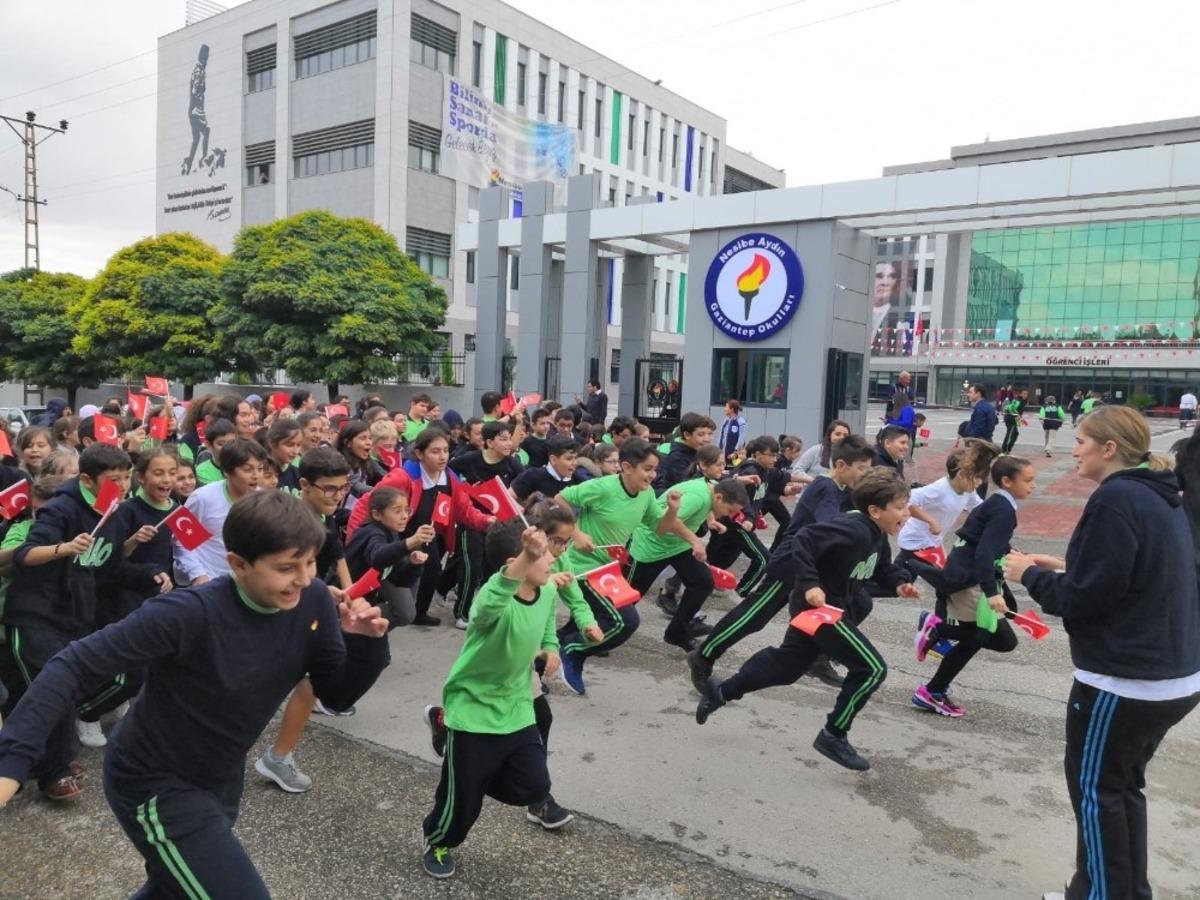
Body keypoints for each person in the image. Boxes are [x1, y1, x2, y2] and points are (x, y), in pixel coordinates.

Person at [0, 492, 391, 898]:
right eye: (286, 567)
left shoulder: (311, 601)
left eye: (310, 561)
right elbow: (72, 664)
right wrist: (11, 762)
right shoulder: (188, 612)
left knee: (179, 886)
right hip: (152, 781)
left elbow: (336, 691)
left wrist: (365, 647)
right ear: (238, 564)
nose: (305, 577)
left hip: (219, 778)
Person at [1004, 406, 1200, 900]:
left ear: (1109, 449)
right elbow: (1133, 574)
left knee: (1097, 795)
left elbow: (1084, 597)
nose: (1074, 448)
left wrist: (1026, 573)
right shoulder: (1159, 495)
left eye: (1082, 440)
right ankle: (1117, 890)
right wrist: (1071, 565)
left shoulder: (1115, 499)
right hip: (1172, 675)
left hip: (1125, 679)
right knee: (1121, 790)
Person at [695, 467, 920, 772]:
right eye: (900, 507)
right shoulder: (853, 528)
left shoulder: (876, 534)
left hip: (827, 611)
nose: (906, 514)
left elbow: (881, 568)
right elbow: (804, 539)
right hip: (822, 610)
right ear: (874, 510)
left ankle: (721, 692)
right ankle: (833, 734)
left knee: (785, 667)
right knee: (871, 669)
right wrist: (811, 583)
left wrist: (899, 584)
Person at [418, 522, 564, 879]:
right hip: (472, 708)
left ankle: (464, 763)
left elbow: (546, 626)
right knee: (462, 804)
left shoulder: (545, 592)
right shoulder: (491, 600)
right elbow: (488, 604)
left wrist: (551, 648)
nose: (551, 560)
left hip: (516, 704)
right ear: (518, 561)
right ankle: (436, 839)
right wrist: (526, 558)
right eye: (541, 554)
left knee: (535, 785)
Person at [688, 435, 876, 693]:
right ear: (841, 465)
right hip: (791, 565)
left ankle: (818, 657)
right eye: (862, 469)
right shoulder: (825, 487)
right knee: (754, 617)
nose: (865, 475)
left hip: (816, 568)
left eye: (869, 469)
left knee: (859, 602)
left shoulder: (847, 491)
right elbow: (831, 525)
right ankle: (704, 654)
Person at [0, 443, 134, 799]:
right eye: (113, 479)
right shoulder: (61, 509)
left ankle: (40, 759)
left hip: (75, 618)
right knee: (51, 689)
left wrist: (150, 573)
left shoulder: (114, 513)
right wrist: (65, 548)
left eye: (126, 477)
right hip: (34, 616)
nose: (122, 485)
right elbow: (26, 553)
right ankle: (52, 771)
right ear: (87, 479)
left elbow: (111, 569)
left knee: (51, 692)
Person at [255, 446, 358, 791]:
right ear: (305, 484)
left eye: (343, 488)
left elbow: (337, 556)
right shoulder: (287, 520)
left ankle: (278, 757)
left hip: (308, 607)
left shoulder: (325, 516)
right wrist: (314, 589)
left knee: (309, 680)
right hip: (278, 611)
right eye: (329, 488)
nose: (337, 495)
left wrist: (349, 595)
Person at [910, 455, 1034, 717]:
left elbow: (985, 543)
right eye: (1028, 480)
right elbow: (983, 554)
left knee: (975, 640)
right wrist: (992, 593)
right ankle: (937, 629)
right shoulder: (1002, 510)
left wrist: (1016, 554)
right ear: (1007, 481)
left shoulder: (999, 505)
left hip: (965, 574)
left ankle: (932, 691)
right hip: (968, 580)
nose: (1032, 486)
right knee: (1001, 639)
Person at [552, 438, 678, 695]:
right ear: (627, 467)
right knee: (624, 621)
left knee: (581, 624)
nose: (652, 475)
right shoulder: (603, 487)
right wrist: (576, 533)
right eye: (647, 469)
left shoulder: (646, 494)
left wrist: (672, 510)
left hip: (608, 570)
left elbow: (660, 528)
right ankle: (573, 652)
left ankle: (546, 656)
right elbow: (560, 498)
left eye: (655, 469)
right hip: (582, 567)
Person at [345, 427, 493, 627]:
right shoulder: (403, 477)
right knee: (396, 589)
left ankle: (416, 611)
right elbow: (367, 503)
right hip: (395, 537)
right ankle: (368, 616)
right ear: (419, 454)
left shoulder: (449, 476)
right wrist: (356, 539)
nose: (443, 456)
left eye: (446, 450)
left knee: (429, 570)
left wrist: (487, 521)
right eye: (435, 451)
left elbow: (465, 510)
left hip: (427, 534)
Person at [628, 477, 749, 651]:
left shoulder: (713, 489)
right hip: (651, 545)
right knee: (632, 594)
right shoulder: (697, 497)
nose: (729, 516)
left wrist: (710, 520)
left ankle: (677, 632)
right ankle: (601, 626)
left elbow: (708, 503)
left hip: (677, 544)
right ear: (719, 498)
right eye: (729, 510)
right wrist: (695, 541)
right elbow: (670, 521)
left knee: (703, 582)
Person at [447, 421, 525, 628]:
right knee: (470, 568)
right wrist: (463, 489)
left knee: (494, 571)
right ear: (489, 442)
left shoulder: (513, 464)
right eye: (504, 439)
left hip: (500, 526)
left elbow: (524, 487)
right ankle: (462, 614)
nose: (509, 443)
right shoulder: (469, 460)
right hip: (471, 522)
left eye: (509, 438)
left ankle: (487, 611)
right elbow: (448, 474)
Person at [174, 439, 267, 585]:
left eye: (260, 469)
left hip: (246, 583)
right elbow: (181, 540)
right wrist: (198, 574)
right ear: (227, 471)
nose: (256, 476)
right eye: (248, 469)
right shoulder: (202, 497)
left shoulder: (264, 501)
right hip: (210, 582)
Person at [511, 434, 586, 501]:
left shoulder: (577, 480)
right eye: (569, 458)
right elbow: (507, 497)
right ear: (553, 459)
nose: (575, 463)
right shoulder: (532, 476)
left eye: (576, 458)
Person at [1000, 388, 1028, 454]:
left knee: (1015, 434)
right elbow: (1010, 409)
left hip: (1014, 419)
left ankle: (1008, 449)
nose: (1025, 395)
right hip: (1010, 419)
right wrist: (1019, 418)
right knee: (1010, 434)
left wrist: (1020, 420)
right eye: (1024, 393)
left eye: (1026, 394)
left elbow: (1018, 412)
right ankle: (1004, 450)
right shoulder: (1018, 400)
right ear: (1020, 394)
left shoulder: (1022, 400)